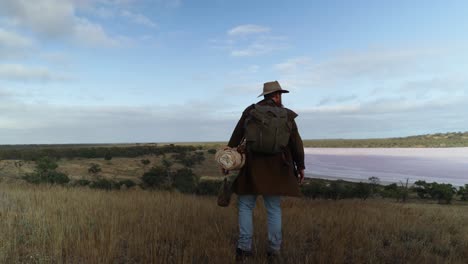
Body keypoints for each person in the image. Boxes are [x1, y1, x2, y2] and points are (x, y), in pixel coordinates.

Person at [225, 80, 305, 262]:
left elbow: (236, 137)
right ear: (277, 95)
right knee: (273, 208)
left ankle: (244, 248)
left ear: (265, 95)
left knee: (245, 206)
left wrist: (227, 160)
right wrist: (300, 166)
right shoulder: (286, 115)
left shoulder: (251, 111)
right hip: (277, 167)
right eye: (280, 95)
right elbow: (296, 145)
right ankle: (274, 250)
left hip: (252, 166)